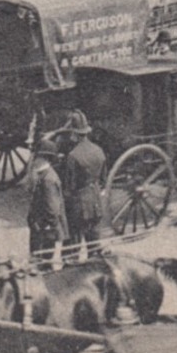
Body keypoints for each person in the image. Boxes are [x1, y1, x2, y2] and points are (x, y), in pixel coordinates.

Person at [56, 111, 106, 261]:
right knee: (95, 248)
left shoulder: (73, 156)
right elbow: (103, 178)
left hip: (78, 208)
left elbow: (69, 188)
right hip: (96, 205)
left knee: (72, 250)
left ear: (73, 134)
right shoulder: (99, 150)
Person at [27, 139, 69, 267]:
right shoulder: (43, 175)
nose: (34, 159)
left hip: (45, 231)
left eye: (37, 156)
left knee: (42, 263)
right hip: (41, 229)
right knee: (38, 261)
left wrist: (49, 228)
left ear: (45, 158)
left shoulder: (48, 180)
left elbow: (53, 209)